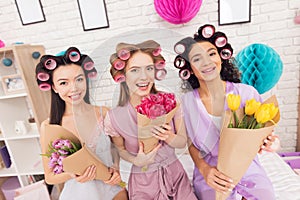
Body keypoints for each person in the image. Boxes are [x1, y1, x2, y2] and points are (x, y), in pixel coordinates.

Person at [173, 24, 277, 200]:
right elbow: (191, 144)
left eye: (211, 54)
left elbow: (268, 134)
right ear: (189, 68)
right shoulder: (186, 103)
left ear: (221, 57)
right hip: (212, 176)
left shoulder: (247, 93)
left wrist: (272, 143)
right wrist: (204, 169)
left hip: (248, 170)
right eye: (197, 59)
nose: (207, 62)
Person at [104, 40, 197, 199]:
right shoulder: (114, 118)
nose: (144, 76)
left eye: (149, 68)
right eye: (134, 70)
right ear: (123, 76)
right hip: (143, 184)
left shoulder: (171, 102)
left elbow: (182, 142)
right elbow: (120, 150)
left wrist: (169, 137)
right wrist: (136, 160)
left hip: (176, 178)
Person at [36, 47, 128, 200]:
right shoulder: (50, 126)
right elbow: (50, 177)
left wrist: (116, 168)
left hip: (113, 190)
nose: (74, 88)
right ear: (54, 87)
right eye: (64, 83)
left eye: (79, 79)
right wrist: (73, 174)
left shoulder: (104, 113)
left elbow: (118, 149)